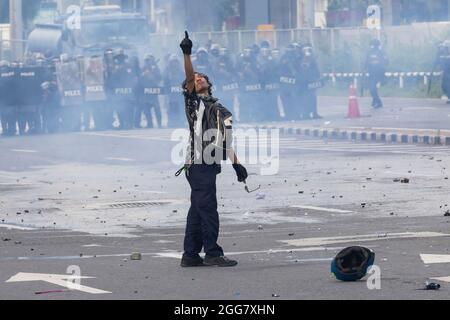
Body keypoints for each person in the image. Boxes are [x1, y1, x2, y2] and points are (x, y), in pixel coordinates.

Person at [179, 31, 248, 268]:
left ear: (209, 83)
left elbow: (225, 138)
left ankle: (190, 255)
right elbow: (188, 77)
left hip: (210, 163)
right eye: (194, 78)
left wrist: (237, 164)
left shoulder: (219, 109)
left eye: (201, 77)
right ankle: (212, 252)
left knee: (198, 208)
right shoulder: (194, 103)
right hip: (197, 163)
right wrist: (187, 54)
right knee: (207, 208)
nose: (197, 79)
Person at [364, 39, 387, 109]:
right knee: (372, 88)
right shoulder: (369, 52)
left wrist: (379, 64)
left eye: (375, 45)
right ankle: (377, 101)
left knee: (373, 88)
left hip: (379, 73)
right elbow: (366, 62)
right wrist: (364, 69)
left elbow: (386, 61)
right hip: (371, 73)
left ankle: (376, 102)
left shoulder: (381, 52)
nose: (374, 47)